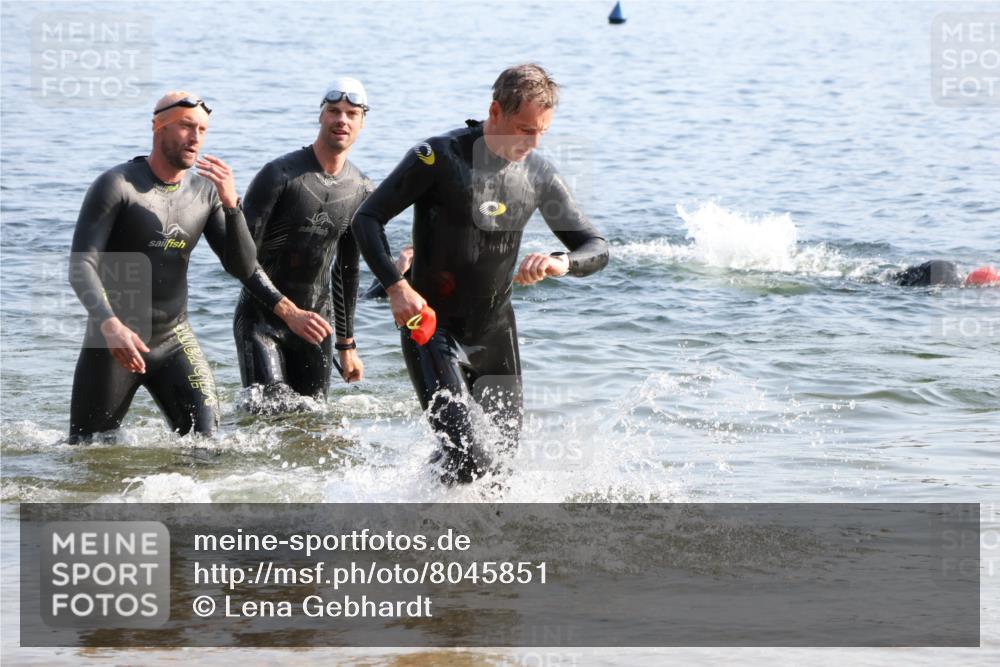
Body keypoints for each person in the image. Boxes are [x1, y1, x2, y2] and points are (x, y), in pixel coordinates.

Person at [352, 63, 609, 484]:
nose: (534, 141)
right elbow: (367, 218)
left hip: (495, 334)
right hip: (430, 327)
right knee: (470, 458)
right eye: (525, 129)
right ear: (495, 111)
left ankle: (422, 517)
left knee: (498, 473)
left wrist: (561, 262)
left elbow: (595, 247)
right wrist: (398, 288)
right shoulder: (436, 157)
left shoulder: (539, 174)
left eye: (542, 131)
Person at [68, 91, 256, 442]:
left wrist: (232, 206)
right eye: (186, 126)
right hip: (113, 343)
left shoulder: (206, 192)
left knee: (209, 443)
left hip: (174, 338)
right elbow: (81, 267)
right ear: (157, 127)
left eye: (202, 128)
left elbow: (243, 267)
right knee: (87, 454)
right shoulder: (117, 185)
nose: (196, 136)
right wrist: (110, 326)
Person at [233, 78, 371, 406]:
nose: (342, 120)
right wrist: (287, 311)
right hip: (261, 320)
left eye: (352, 113)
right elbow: (241, 258)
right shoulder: (278, 175)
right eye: (334, 111)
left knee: (314, 423)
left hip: (316, 324)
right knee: (271, 414)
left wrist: (346, 345)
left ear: (362, 121)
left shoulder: (361, 189)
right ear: (321, 116)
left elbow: (347, 269)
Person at [892, 260, 1000, 287]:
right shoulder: (954, 284)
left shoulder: (958, 273)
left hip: (937, 266)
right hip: (931, 273)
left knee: (894, 277)